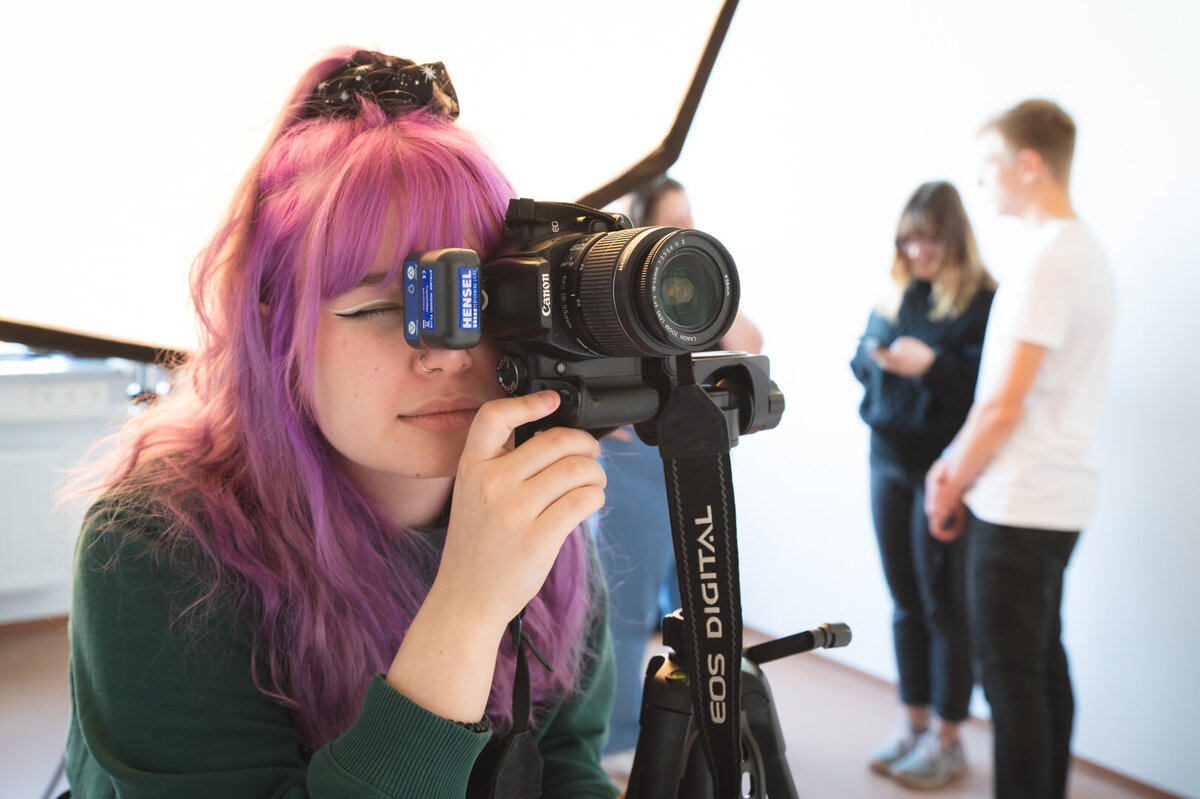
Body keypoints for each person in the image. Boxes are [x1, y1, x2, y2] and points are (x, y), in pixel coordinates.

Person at [65, 48, 618, 799]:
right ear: (274, 329)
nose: (446, 356)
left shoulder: (532, 502)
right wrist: (468, 603)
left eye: (471, 297)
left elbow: (564, 769)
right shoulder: (155, 544)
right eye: (381, 308)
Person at [925, 99, 1115, 799]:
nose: (984, 182)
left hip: (1022, 500)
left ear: (1028, 165)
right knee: (1039, 665)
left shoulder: (1048, 260)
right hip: (1054, 496)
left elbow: (1003, 403)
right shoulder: (1080, 250)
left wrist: (948, 479)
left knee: (1013, 681)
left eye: (990, 166)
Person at [597, 175, 762, 768]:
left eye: (691, 221)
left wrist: (700, 278)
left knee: (698, 598)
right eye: (675, 222)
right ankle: (615, 740)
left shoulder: (691, 286)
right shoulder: (612, 296)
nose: (687, 232)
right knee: (628, 607)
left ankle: (696, 722)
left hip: (693, 453)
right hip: (632, 468)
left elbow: (751, 342)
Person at [851, 181, 996, 789]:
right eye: (907, 240)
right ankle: (913, 725)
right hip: (886, 458)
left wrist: (930, 365)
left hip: (943, 471)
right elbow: (860, 365)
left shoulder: (983, 301)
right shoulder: (897, 292)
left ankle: (948, 737)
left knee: (944, 606)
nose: (916, 251)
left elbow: (984, 390)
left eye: (927, 239)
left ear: (952, 238)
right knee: (905, 599)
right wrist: (876, 355)